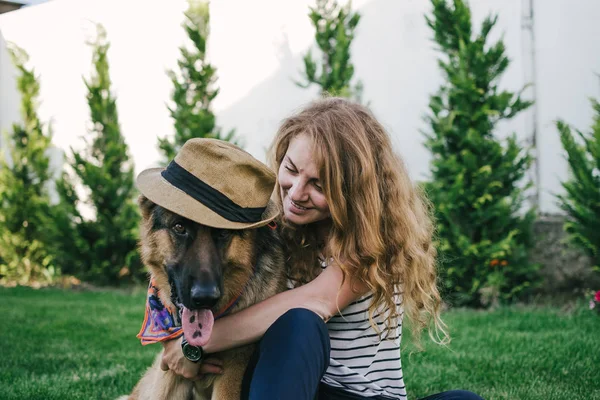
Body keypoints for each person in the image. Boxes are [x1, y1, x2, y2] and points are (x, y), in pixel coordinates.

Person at [146, 97, 483, 400]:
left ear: (352, 191)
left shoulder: (373, 241)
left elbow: (317, 300)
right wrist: (184, 347)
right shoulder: (268, 232)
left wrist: (193, 344)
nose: (295, 193)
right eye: (291, 170)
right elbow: (192, 287)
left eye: (318, 185)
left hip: (361, 397)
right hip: (288, 389)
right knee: (297, 326)